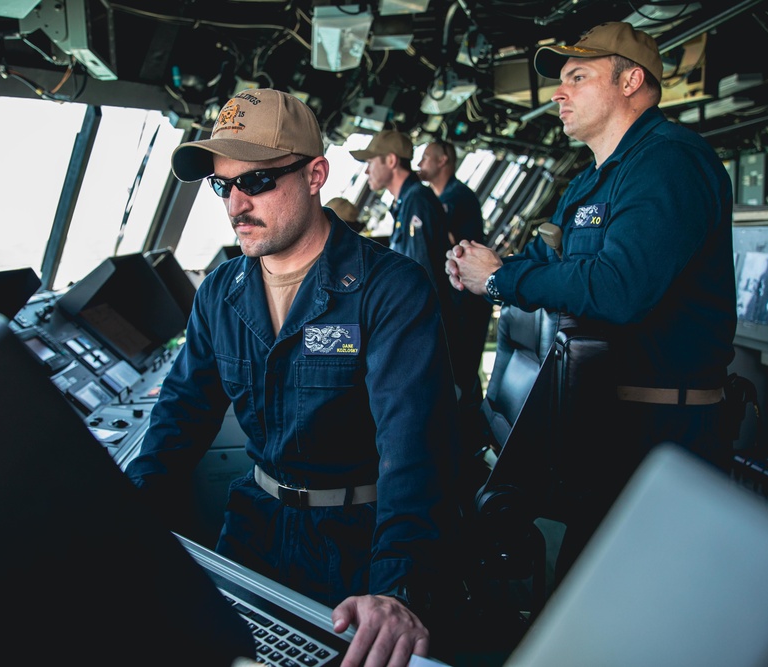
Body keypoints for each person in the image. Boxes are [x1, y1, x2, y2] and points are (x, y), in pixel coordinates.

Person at [124, 88, 462, 666]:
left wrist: (393, 586)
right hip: (254, 527)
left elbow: (414, 448)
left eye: (255, 182)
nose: (236, 205)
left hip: (357, 543)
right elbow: (179, 417)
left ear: (315, 174)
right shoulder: (220, 292)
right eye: (222, 185)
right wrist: (120, 515)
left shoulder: (390, 290)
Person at [445, 22, 737, 579]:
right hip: (607, 429)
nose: (559, 91)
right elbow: (544, 258)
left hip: (667, 435)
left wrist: (502, 281)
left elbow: (619, 288)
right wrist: (479, 267)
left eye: (577, 77)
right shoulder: (588, 183)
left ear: (631, 82)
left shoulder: (670, 162)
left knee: (647, 608)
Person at [418, 139, 493, 413]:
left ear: (443, 161)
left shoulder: (457, 199)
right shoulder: (440, 199)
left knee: (462, 372)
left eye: (426, 157)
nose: (419, 164)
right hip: (457, 298)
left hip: (467, 300)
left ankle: (472, 436)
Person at [349, 130, 453, 326]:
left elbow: (421, 269)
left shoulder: (417, 200)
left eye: (370, 163)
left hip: (424, 319)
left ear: (390, 161)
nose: (366, 171)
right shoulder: (406, 202)